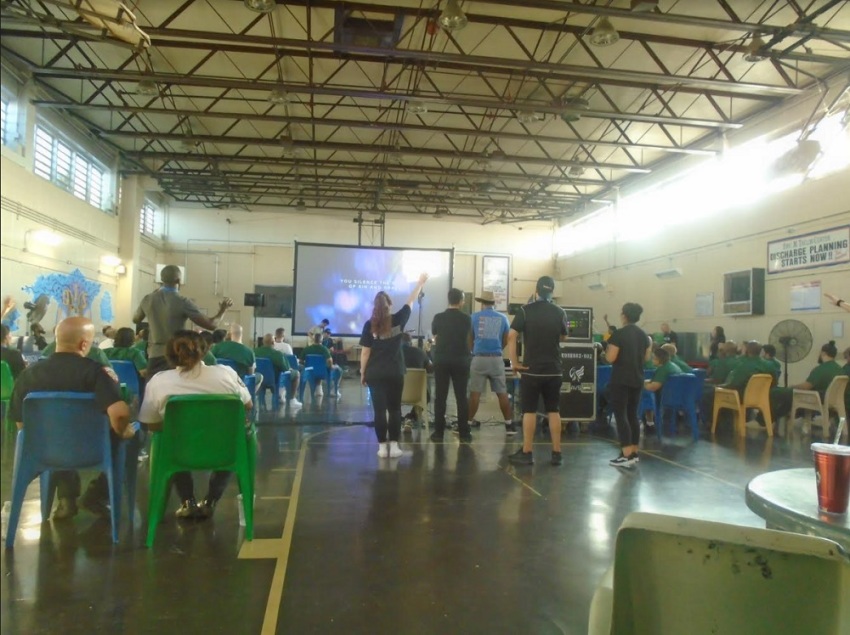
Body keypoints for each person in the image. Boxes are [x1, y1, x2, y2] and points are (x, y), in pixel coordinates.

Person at [8, 317, 133, 519]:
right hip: (93, 451)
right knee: (131, 439)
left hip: (44, 452)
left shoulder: (28, 375)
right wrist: (125, 430)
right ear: (84, 344)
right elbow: (119, 415)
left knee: (57, 434)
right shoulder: (97, 373)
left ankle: (67, 499)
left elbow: (22, 424)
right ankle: (97, 494)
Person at [139, 330, 252, 520]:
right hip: (225, 450)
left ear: (168, 355)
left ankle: (187, 500)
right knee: (235, 436)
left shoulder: (158, 382)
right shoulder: (226, 374)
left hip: (180, 453)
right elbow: (248, 405)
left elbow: (152, 425)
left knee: (169, 439)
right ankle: (211, 500)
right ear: (205, 350)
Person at [360, 273, 429, 458]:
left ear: (375, 307)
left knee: (379, 411)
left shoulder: (369, 325)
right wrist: (420, 283)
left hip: (375, 374)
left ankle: (382, 447)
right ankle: (395, 446)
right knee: (395, 409)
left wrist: (362, 372)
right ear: (389, 305)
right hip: (395, 372)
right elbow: (411, 301)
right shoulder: (399, 319)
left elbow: (365, 352)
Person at [507, 276, 569, 467]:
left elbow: (511, 336)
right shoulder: (560, 312)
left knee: (530, 410)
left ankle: (527, 452)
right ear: (552, 292)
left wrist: (514, 362)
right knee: (553, 410)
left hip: (531, 370)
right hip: (554, 370)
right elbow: (564, 337)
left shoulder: (525, 311)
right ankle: (557, 453)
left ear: (536, 291)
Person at [133, 264, 232, 377]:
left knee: (152, 391)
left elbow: (135, 319)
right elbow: (211, 325)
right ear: (179, 280)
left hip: (153, 356)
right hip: (175, 356)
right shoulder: (182, 302)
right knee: (175, 391)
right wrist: (223, 310)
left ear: (161, 280)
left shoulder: (148, 298)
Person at [604, 303, 650, 468]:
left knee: (621, 415)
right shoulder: (644, 335)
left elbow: (610, 358)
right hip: (637, 379)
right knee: (632, 415)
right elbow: (646, 358)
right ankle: (634, 452)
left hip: (621, 380)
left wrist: (605, 352)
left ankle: (626, 454)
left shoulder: (619, 334)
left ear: (624, 315)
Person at [468, 290, 516, 436]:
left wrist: (474, 350)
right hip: (496, 359)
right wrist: (497, 349)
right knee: (502, 393)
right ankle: (509, 425)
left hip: (479, 358)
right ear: (494, 303)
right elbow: (506, 338)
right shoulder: (503, 318)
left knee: (475, 394)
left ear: (482, 302)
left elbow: (469, 338)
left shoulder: (474, 317)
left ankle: (467, 424)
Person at [430, 288, 472, 443]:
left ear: (448, 300)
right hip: (461, 360)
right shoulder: (466, 319)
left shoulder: (438, 317)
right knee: (461, 397)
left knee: (440, 397)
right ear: (460, 301)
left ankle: (438, 433)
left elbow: (435, 334)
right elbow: (468, 337)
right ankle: (464, 434)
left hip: (441, 359)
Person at [770, 341, 844, 420]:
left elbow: (807, 386)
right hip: (834, 400)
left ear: (823, 353)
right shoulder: (840, 369)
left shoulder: (821, 369)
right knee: (788, 398)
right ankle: (778, 417)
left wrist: (793, 386)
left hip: (819, 399)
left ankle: (769, 419)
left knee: (778, 393)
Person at [254, 333, 301, 407]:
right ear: (273, 342)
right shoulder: (277, 354)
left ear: (263, 342)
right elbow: (286, 369)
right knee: (297, 374)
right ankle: (292, 400)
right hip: (275, 380)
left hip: (260, 379)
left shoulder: (255, 352)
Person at [401, 332, 433, 428]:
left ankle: (396, 418)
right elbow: (430, 369)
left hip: (397, 393)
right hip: (418, 395)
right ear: (410, 342)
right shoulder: (420, 352)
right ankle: (412, 416)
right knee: (427, 394)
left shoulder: (393, 353)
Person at [302, 333, 342, 398]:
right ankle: (334, 390)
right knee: (339, 370)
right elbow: (329, 360)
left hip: (310, 372)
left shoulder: (306, 349)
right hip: (323, 373)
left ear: (313, 339)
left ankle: (318, 390)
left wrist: (307, 366)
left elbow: (301, 361)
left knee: (316, 369)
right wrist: (331, 366)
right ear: (322, 340)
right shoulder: (324, 349)